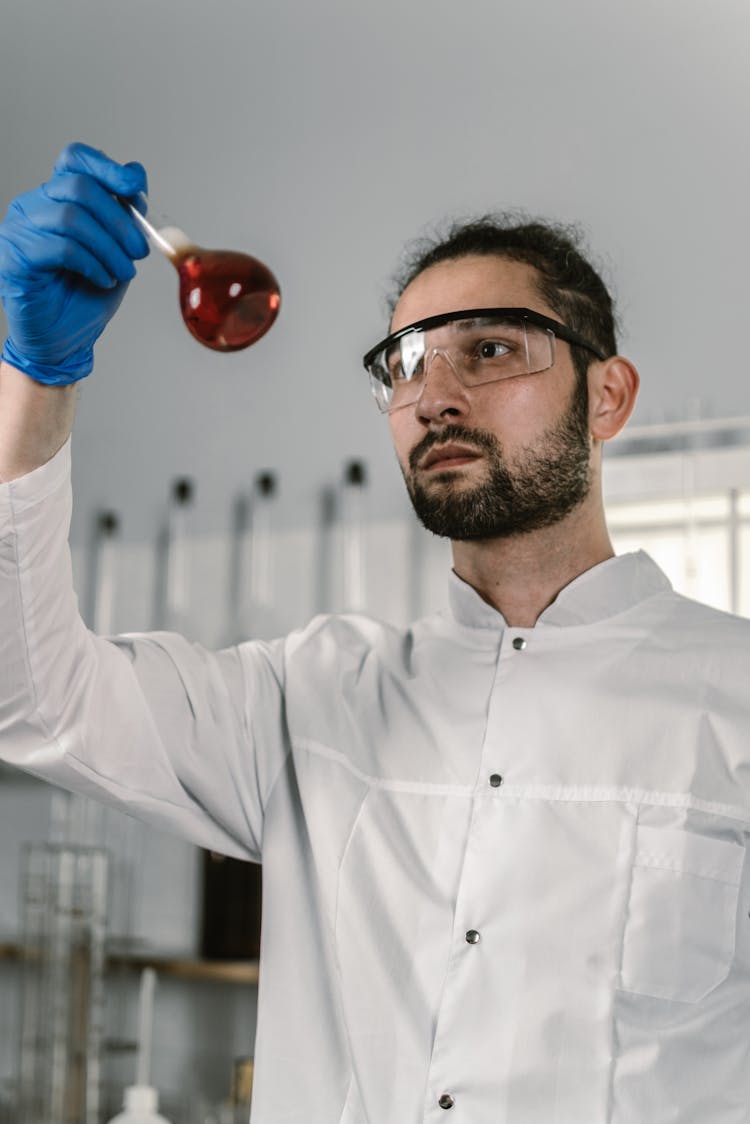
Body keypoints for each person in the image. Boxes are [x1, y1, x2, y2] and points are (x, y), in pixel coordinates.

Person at [0, 143, 748, 1124]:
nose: (434, 394)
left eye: (488, 350)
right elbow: (32, 695)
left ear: (606, 396)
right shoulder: (307, 698)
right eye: (405, 363)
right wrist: (34, 379)